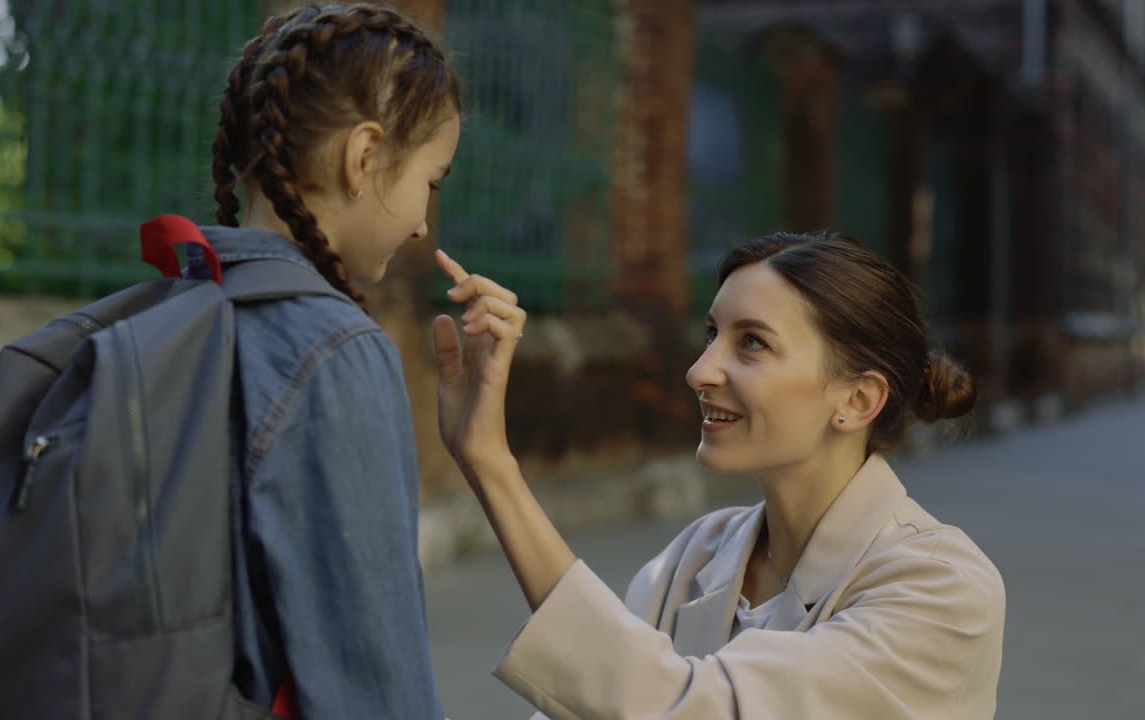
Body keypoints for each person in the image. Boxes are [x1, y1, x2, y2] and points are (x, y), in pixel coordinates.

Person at [432, 230, 1006, 718]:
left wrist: (494, 467)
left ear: (857, 400)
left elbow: (695, 707)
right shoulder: (698, 555)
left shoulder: (943, 590)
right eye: (712, 334)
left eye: (752, 343)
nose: (700, 371)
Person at [205, 3, 459, 718]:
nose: (419, 222)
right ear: (365, 156)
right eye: (430, 182)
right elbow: (373, 668)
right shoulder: (336, 350)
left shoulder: (175, 300)